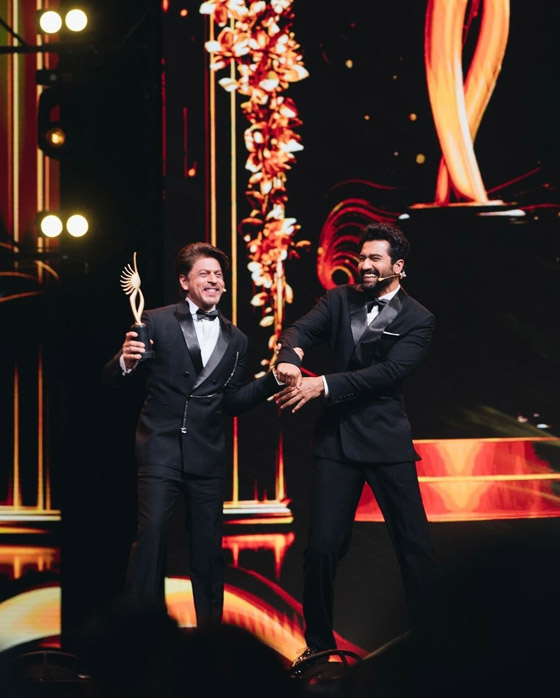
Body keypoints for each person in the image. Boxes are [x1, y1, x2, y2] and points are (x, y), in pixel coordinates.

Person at [274, 222, 436, 666]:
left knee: (414, 546)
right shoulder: (338, 299)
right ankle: (319, 645)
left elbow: (388, 373)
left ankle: (432, 640)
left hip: (386, 441)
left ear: (397, 266)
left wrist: (322, 385)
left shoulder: (418, 318)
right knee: (322, 548)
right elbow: (299, 331)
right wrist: (289, 358)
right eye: (361, 257)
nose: (364, 264)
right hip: (337, 442)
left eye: (374, 259)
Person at [103, 242, 281, 627]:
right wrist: (125, 361)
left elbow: (232, 401)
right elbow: (111, 377)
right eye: (204, 273)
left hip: (207, 452)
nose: (213, 280)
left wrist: (273, 380)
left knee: (207, 548)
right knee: (151, 536)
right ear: (185, 281)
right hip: (160, 446)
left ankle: (211, 636)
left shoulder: (237, 339)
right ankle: (140, 631)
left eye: (218, 274)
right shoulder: (156, 320)